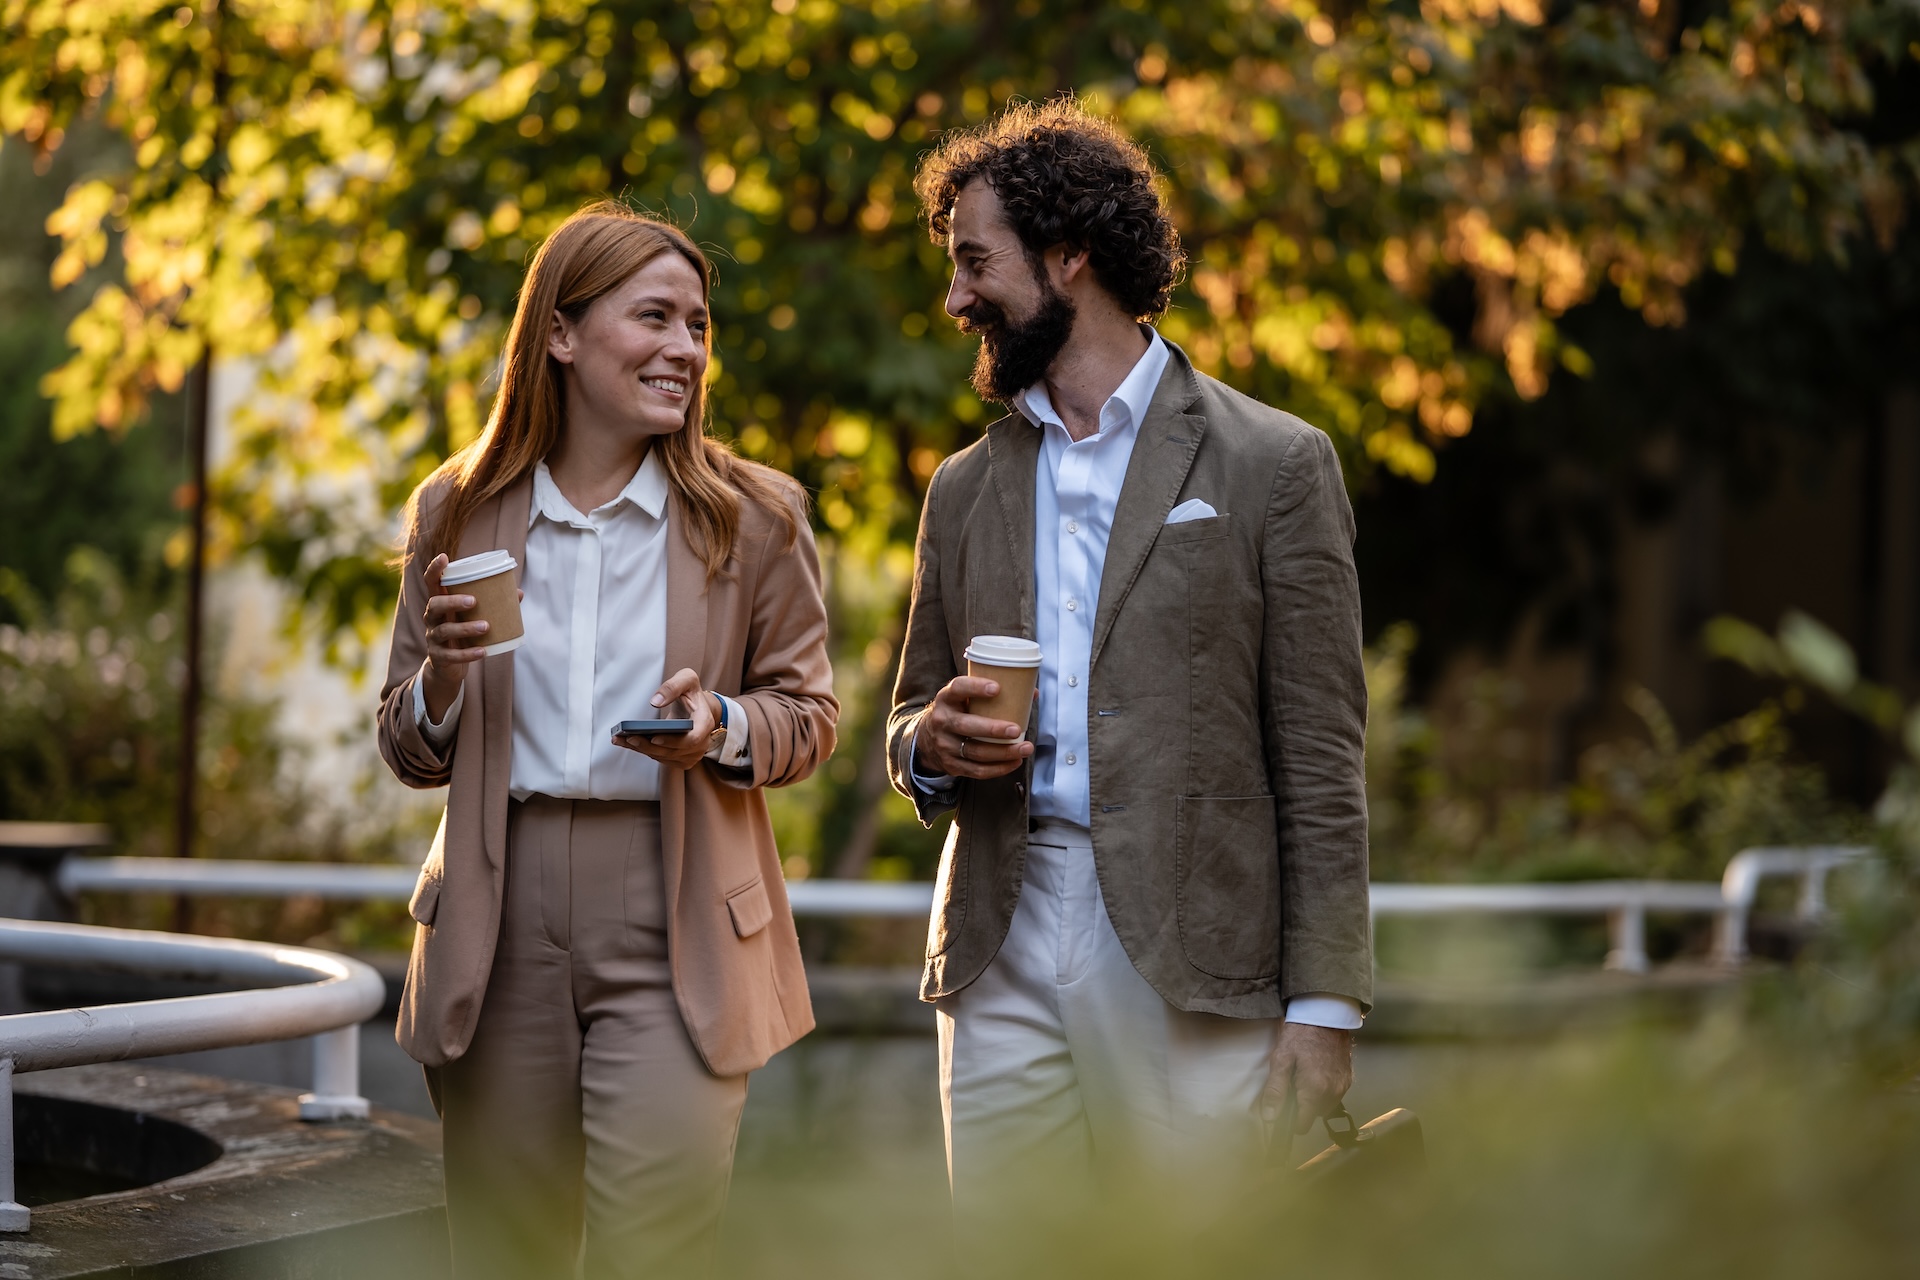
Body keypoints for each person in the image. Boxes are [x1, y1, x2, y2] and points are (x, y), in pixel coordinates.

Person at [888, 100, 1372, 1251]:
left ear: (1071, 257)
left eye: (974, 261)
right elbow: (907, 706)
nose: (956, 298)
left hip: (1192, 945)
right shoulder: (962, 485)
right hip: (997, 928)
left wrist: (1324, 1006)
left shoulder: (1274, 463)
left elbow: (1319, 753)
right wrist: (925, 748)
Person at [376, 201, 837, 1279]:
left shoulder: (755, 517)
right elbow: (406, 746)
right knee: (502, 1249)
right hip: (498, 909)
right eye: (656, 318)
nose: (686, 347)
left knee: (655, 1251)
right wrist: (443, 678)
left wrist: (718, 724)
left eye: (698, 325)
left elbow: (808, 715)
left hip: (675, 908)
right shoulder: (456, 509)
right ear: (562, 333)